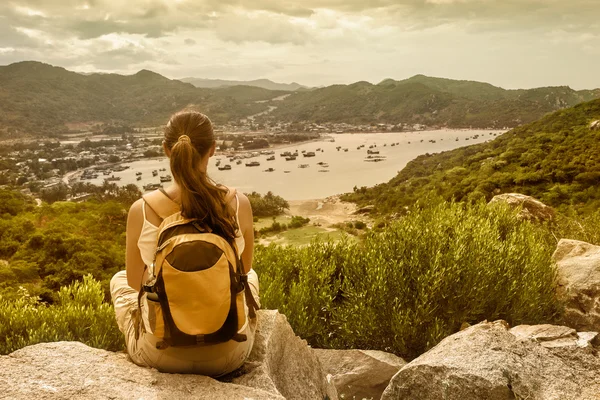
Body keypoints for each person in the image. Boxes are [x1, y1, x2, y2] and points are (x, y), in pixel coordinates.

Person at [110, 111, 259, 376]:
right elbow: (243, 272)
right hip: (229, 353)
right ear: (212, 149)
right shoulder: (239, 204)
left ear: (167, 150)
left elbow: (136, 283)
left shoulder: (141, 210)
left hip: (162, 354)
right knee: (253, 276)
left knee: (120, 280)